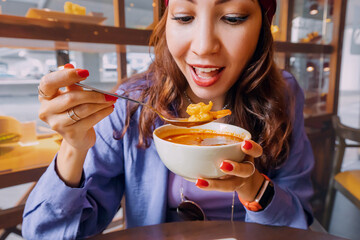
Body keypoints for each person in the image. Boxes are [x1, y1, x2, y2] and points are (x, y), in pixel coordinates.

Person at [22, 0, 315, 239]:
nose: (203, 46)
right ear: (166, 23)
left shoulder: (283, 95)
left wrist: (254, 188)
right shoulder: (131, 103)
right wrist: (73, 147)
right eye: (185, 17)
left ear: (263, 26)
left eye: (233, 17)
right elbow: (47, 235)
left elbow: (298, 222)